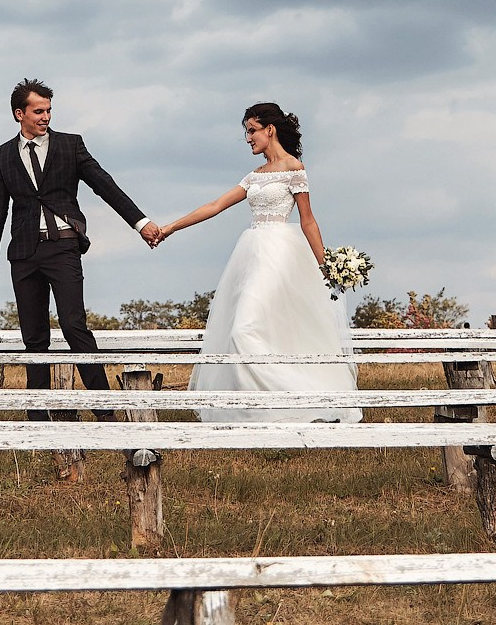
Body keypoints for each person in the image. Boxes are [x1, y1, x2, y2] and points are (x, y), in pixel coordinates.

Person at [146, 102, 360, 422]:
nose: (247, 138)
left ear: (269, 130)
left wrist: (325, 266)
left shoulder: (294, 169)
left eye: (251, 130)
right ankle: (268, 406)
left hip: (281, 254)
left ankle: (299, 401)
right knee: (247, 330)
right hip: (251, 253)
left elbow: (308, 221)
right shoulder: (254, 176)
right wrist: (170, 228)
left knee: (244, 330)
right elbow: (215, 205)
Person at [0, 78, 160, 418]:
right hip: (24, 254)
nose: (46, 117)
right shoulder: (3, 155)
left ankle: (105, 411)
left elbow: (105, 185)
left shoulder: (70, 145)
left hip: (63, 247)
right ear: (20, 114)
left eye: (49, 110)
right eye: (38, 111)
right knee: (34, 338)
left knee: (74, 325)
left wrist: (140, 223)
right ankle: (39, 417)